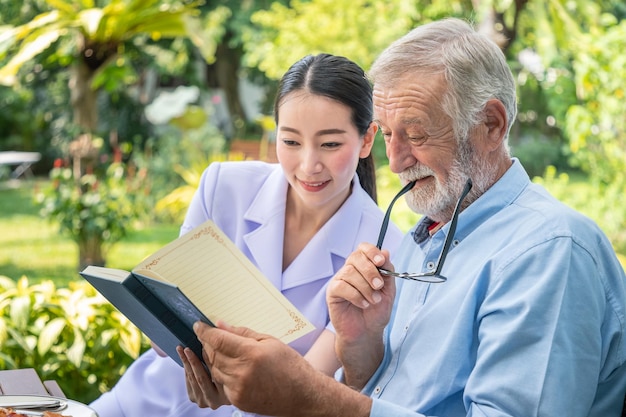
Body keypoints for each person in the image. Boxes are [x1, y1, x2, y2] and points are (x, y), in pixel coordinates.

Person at [180, 18, 626, 417]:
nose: (394, 162)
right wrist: (360, 345)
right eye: (389, 135)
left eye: (415, 134)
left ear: (491, 125)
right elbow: (384, 394)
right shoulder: (419, 239)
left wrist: (310, 398)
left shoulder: (548, 250)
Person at [89, 53, 403, 417]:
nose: (308, 165)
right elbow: (164, 326)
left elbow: (305, 386)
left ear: (367, 140)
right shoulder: (222, 186)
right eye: (291, 142)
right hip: (147, 400)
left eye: (330, 144)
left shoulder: (382, 250)